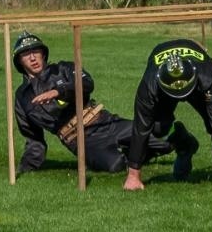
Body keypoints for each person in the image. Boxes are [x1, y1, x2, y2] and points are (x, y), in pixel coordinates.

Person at [11, 32, 189, 191]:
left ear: (43, 53)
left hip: (104, 122)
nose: (33, 58)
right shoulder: (22, 98)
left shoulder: (63, 69)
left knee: (155, 133)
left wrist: (59, 91)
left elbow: (87, 83)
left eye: (36, 52)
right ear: (19, 61)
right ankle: (149, 148)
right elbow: (33, 139)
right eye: (26, 54)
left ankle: (179, 138)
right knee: (115, 165)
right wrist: (26, 169)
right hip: (80, 141)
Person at [129, 38, 212, 190]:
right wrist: (133, 176)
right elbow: (140, 128)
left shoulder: (208, 77)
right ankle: (183, 142)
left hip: (197, 87)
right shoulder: (149, 86)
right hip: (164, 91)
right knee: (157, 129)